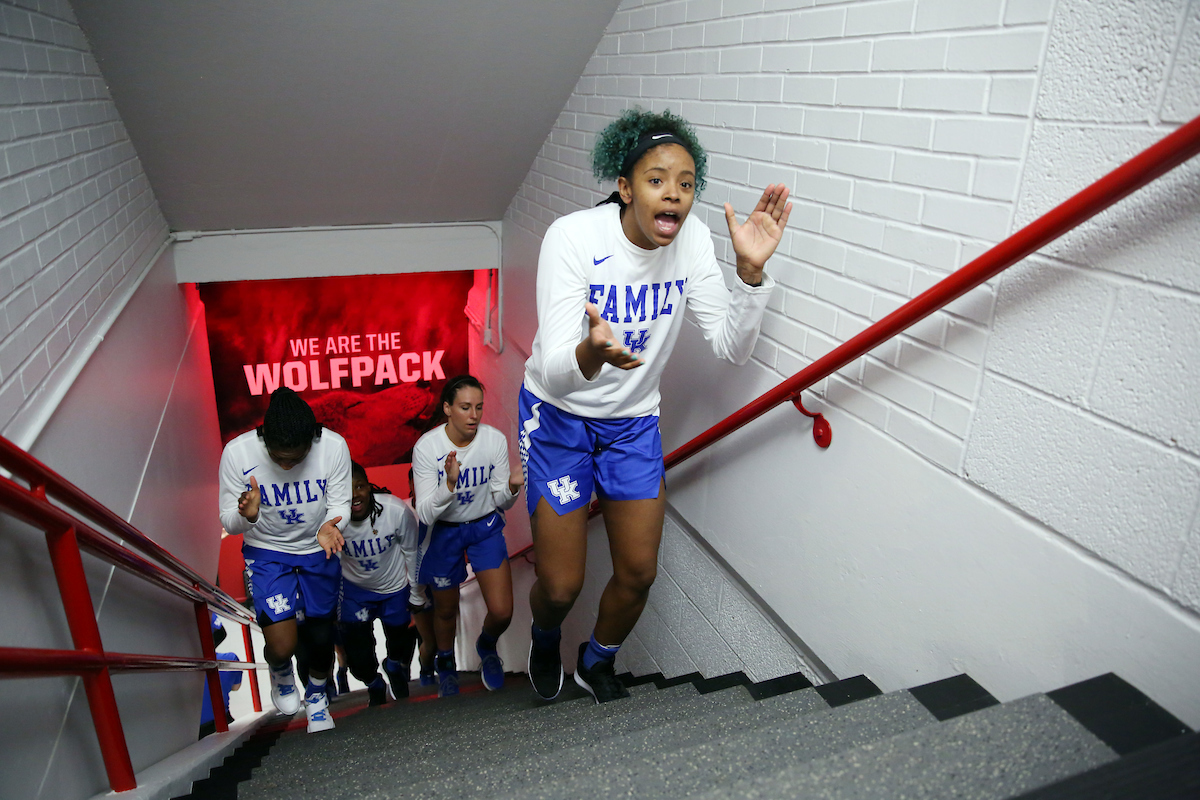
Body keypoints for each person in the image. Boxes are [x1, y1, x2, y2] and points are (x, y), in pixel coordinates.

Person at [519, 108, 791, 703]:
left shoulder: (692, 240)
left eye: (687, 183)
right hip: (558, 418)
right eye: (657, 179)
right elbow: (558, 376)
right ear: (624, 187)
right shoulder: (572, 238)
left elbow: (731, 346)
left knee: (639, 571)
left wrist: (748, 274)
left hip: (632, 422)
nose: (674, 194)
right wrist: (591, 352)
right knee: (561, 585)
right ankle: (544, 635)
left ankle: (596, 659)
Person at [218, 387, 351, 733]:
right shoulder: (238, 453)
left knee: (322, 639)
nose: (288, 464)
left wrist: (328, 525)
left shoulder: (333, 447)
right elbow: (227, 521)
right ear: (265, 441)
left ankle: (318, 697)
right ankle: (280, 670)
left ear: (313, 437)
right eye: (279, 458)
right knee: (282, 643)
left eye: (297, 456)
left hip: (317, 548)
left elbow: (340, 503)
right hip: (268, 553)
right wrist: (246, 515)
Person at [412, 375, 523, 697]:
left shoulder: (494, 440)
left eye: (478, 407)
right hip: (443, 532)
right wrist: (448, 485)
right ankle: (445, 662)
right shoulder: (427, 448)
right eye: (464, 407)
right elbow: (425, 514)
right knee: (446, 609)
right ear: (447, 408)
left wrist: (512, 486)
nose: (473, 415)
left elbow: (502, 499)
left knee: (502, 611)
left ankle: (486, 646)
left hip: (484, 527)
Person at [338, 461, 424, 705]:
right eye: (346, 489)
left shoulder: (395, 510)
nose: (355, 494)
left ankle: (395, 666)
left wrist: (416, 594)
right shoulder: (332, 520)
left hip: (394, 588)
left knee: (402, 643)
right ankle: (373, 682)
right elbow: (327, 562)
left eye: (359, 486)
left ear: (369, 487)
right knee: (358, 659)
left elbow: (412, 552)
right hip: (355, 592)